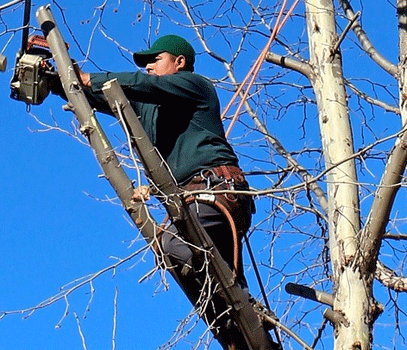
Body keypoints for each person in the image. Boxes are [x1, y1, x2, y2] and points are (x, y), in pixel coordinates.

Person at [51, 34, 256, 350]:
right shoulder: (147, 106)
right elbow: (99, 95)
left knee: (174, 244)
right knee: (218, 297)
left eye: (154, 60)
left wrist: (91, 77)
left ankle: (243, 314)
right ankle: (243, 331)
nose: (147, 67)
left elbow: (138, 86)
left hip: (215, 191)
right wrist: (54, 78)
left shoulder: (194, 85)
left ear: (179, 62)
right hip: (193, 204)